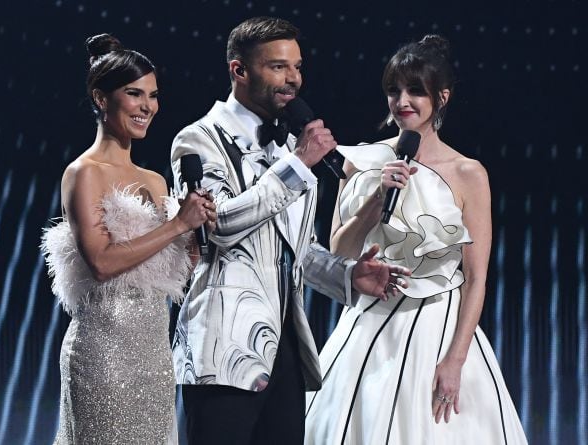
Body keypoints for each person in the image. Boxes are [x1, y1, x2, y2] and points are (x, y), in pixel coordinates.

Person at [169, 17, 410, 445]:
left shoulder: (287, 148)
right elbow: (218, 225)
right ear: (238, 70)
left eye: (297, 67)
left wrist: (346, 275)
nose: (293, 79)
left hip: (285, 352)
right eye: (278, 66)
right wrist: (298, 165)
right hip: (223, 353)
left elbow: (298, 250)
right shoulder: (199, 139)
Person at [304, 35, 528, 444]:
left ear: (441, 97)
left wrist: (456, 360)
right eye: (394, 90)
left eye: (415, 91)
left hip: (437, 327)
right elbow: (340, 251)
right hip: (369, 325)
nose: (402, 101)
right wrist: (377, 197)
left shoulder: (468, 173)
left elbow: (476, 278)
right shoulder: (361, 160)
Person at [40, 33, 216, 444]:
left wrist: (195, 233)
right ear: (101, 99)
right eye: (134, 94)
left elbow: (172, 274)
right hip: (103, 356)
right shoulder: (84, 173)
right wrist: (175, 225)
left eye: (152, 96)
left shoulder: (155, 181)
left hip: (154, 356)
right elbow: (101, 262)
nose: (147, 106)